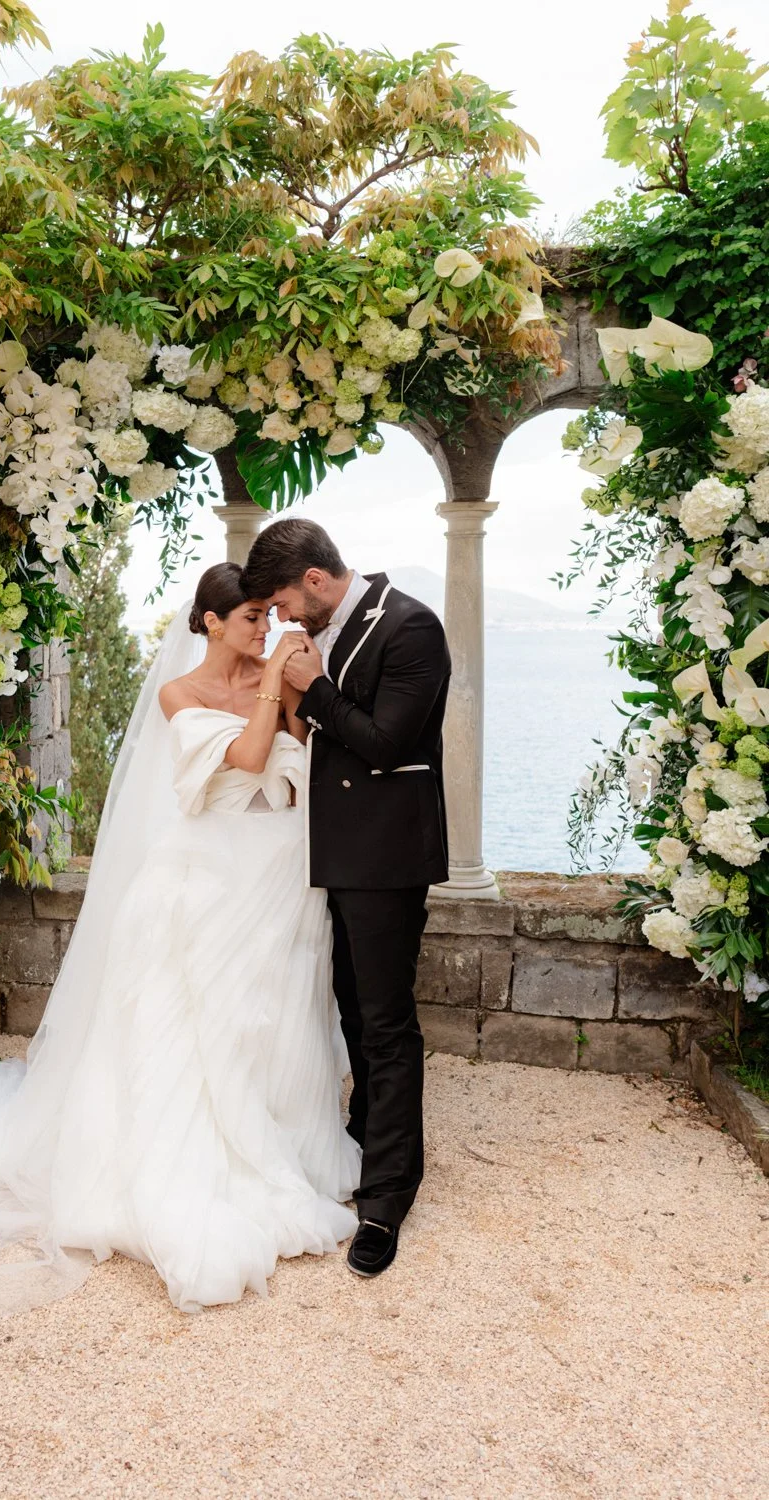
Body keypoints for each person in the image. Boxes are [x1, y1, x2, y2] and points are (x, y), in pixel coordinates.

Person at [0, 563, 359, 1330]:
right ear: (212, 622)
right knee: (194, 1027)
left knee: (270, 1018)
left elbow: (294, 754)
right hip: (204, 879)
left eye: (269, 615)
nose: (267, 629)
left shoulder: (278, 675)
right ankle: (193, 1168)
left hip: (277, 875)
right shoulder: (179, 695)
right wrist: (268, 694)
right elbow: (249, 759)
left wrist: (292, 691)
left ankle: (282, 1144)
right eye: (253, 617)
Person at [241, 519, 451, 1279]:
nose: (287, 621)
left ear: (318, 580)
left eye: (289, 605)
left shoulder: (412, 627)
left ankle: (388, 1197)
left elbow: (387, 741)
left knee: (388, 1022)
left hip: (387, 858)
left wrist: (312, 688)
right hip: (327, 854)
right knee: (353, 1011)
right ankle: (364, 1140)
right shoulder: (327, 627)